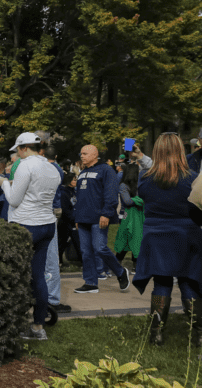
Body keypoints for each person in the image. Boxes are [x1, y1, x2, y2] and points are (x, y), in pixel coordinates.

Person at [134, 132, 202, 345]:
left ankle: (157, 333)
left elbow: (144, 197)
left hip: (156, 235)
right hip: (186, 233)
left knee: (161, 282)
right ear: (181, 150)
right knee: (188, 281)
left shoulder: (145, 179)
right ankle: (198, 334)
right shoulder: (192, 178)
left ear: (157, 151)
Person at [0, 132, 61, 340]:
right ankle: (38, 327)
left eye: (17, 150)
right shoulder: (51, 167)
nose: (17, 154)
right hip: (47, 224)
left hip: (26, 224)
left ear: (24, 148)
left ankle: (11, 323)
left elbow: (14, 200)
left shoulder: (25, 165)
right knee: (38, 276)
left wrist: (4, 182)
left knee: (14, 275)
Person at [73, 144, 129, 294]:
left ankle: (121, 272)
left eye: (85, 153)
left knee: (100, 248)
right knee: (86, 252)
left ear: (94, 154)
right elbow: (80, 197)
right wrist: (77, 217)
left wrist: (106, 213)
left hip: (99, 217)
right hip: (83, 218)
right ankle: (90, 283)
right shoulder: (83, 172)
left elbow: (111, 194)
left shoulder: (106, 170)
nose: (82, 156)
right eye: (81, 153)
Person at [114, 162, 142, 273]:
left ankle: (136, 265)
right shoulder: (123, 185)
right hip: (127, 216)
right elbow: (127, 201)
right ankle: (116, 264)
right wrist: (140, 200)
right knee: (124, 240)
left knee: (137, 240)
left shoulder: (139, 184)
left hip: (138, 216)